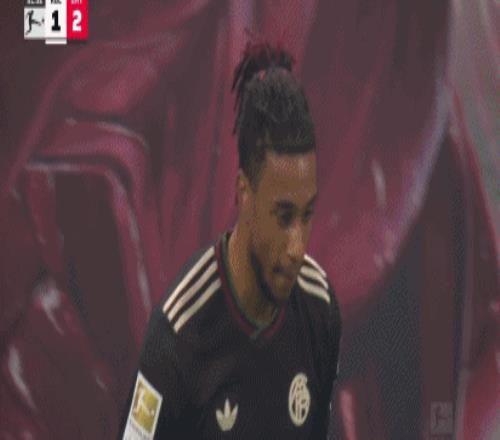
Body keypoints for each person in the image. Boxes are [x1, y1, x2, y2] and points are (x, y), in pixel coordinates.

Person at [119, 41, 342, 439]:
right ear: (243, 194)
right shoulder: (178, 337)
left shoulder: (318, 308)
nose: (297, 247)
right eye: (283, 217)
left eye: (307, 215)